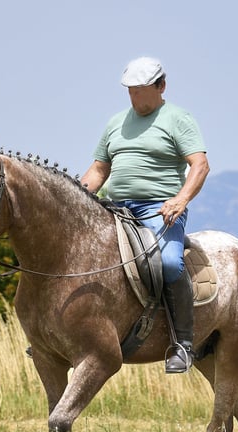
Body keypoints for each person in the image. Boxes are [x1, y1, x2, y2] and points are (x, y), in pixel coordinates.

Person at [80, 56, 210, 373]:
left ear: (161, 86)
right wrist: (77, 196)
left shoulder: (178, 119)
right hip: (114, 207)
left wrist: (180, 199)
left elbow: (200, 164)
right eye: (130, 91)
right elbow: (98, 170)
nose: (135, 97)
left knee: (167, 263)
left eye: (141, 90)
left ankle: (183, 344)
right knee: (74, 254)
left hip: (159, 209)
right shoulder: (115, 123)